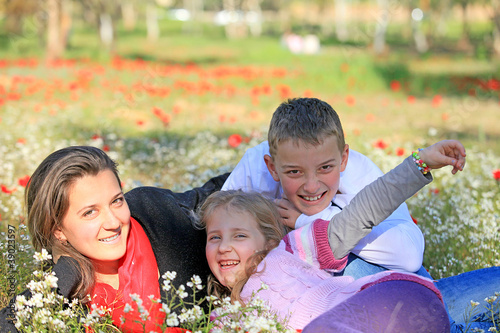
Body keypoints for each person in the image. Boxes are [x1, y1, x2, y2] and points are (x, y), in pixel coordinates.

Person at [198, 139, 466, 331]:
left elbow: (363, 212)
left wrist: (419, 164)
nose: (224, 247)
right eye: (215, 238)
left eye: (240, 236)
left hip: (391, 298)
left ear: (269, 240)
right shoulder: (226, 317)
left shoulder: (292, 251)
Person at [0, 146, 229, 332]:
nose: (113, 222)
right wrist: (64, 277)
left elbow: (221, 190)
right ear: (57, 229)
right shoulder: (61, 287)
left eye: (117, 201)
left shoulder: (157, 214)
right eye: (90, 212)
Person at [222, 97, 427, 278]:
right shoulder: (255, 169)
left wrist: (309, 221)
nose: (311, 186)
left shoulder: (361, 175)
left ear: (343, 159)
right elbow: (221, 231)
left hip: (393, 278)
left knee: (343, 265)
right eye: (295, 172)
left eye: (325, 168)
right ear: (272, 167)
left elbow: (409, 258)